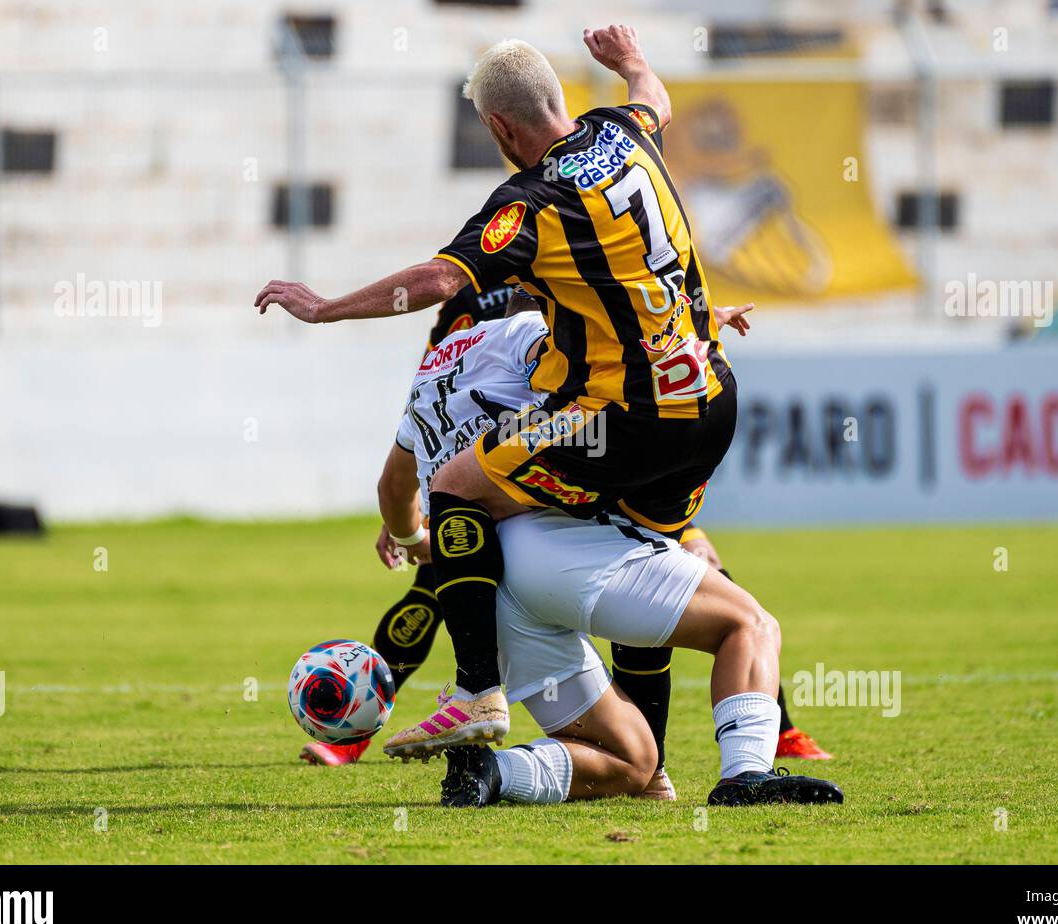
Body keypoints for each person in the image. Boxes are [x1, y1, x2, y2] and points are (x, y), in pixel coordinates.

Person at [257, 26, 738, 760]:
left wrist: (325, 309)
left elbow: (439, 280)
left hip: (619, 416)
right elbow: (654, 99)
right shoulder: (626, 130)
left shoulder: (529, 206)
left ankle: (477, 690)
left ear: (499, 127)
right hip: (706, 397)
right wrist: (632, 61)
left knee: (459, 495)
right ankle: (680, 764)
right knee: (655, 555)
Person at [299, 287, 831, 773]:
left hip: (488, 602)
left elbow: (393, 491)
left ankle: (495, 771)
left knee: (629, 762)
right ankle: (749, 774)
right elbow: (625, 369)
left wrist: (418, 542)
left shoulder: (428, 375)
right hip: (554, 549)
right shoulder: (532, 335)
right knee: (747, 622)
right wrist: (698, 327)